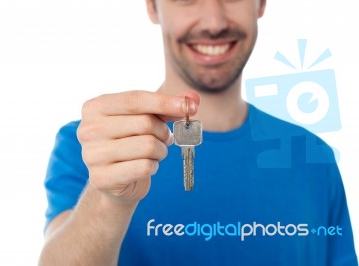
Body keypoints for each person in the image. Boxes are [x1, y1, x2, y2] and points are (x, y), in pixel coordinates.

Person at [39, 0, 358, 265]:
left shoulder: (313, 156)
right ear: (152, 7)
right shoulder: (93, 145)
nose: (214, 20)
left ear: (260, 3)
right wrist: (108, 200)